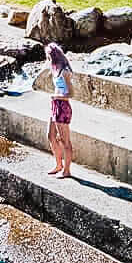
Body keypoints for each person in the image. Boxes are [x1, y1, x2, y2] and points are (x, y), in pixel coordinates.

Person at [42, 42, 75, 178]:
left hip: (63, 106)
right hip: (55, 105)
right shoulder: (55, 68)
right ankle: (58, 165)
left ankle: (67, 171)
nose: (47, 59)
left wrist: (56, 96)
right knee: (50, 136)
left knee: (64, 140)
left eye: (48, 57)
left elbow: (71, 94)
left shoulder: (65, 71)